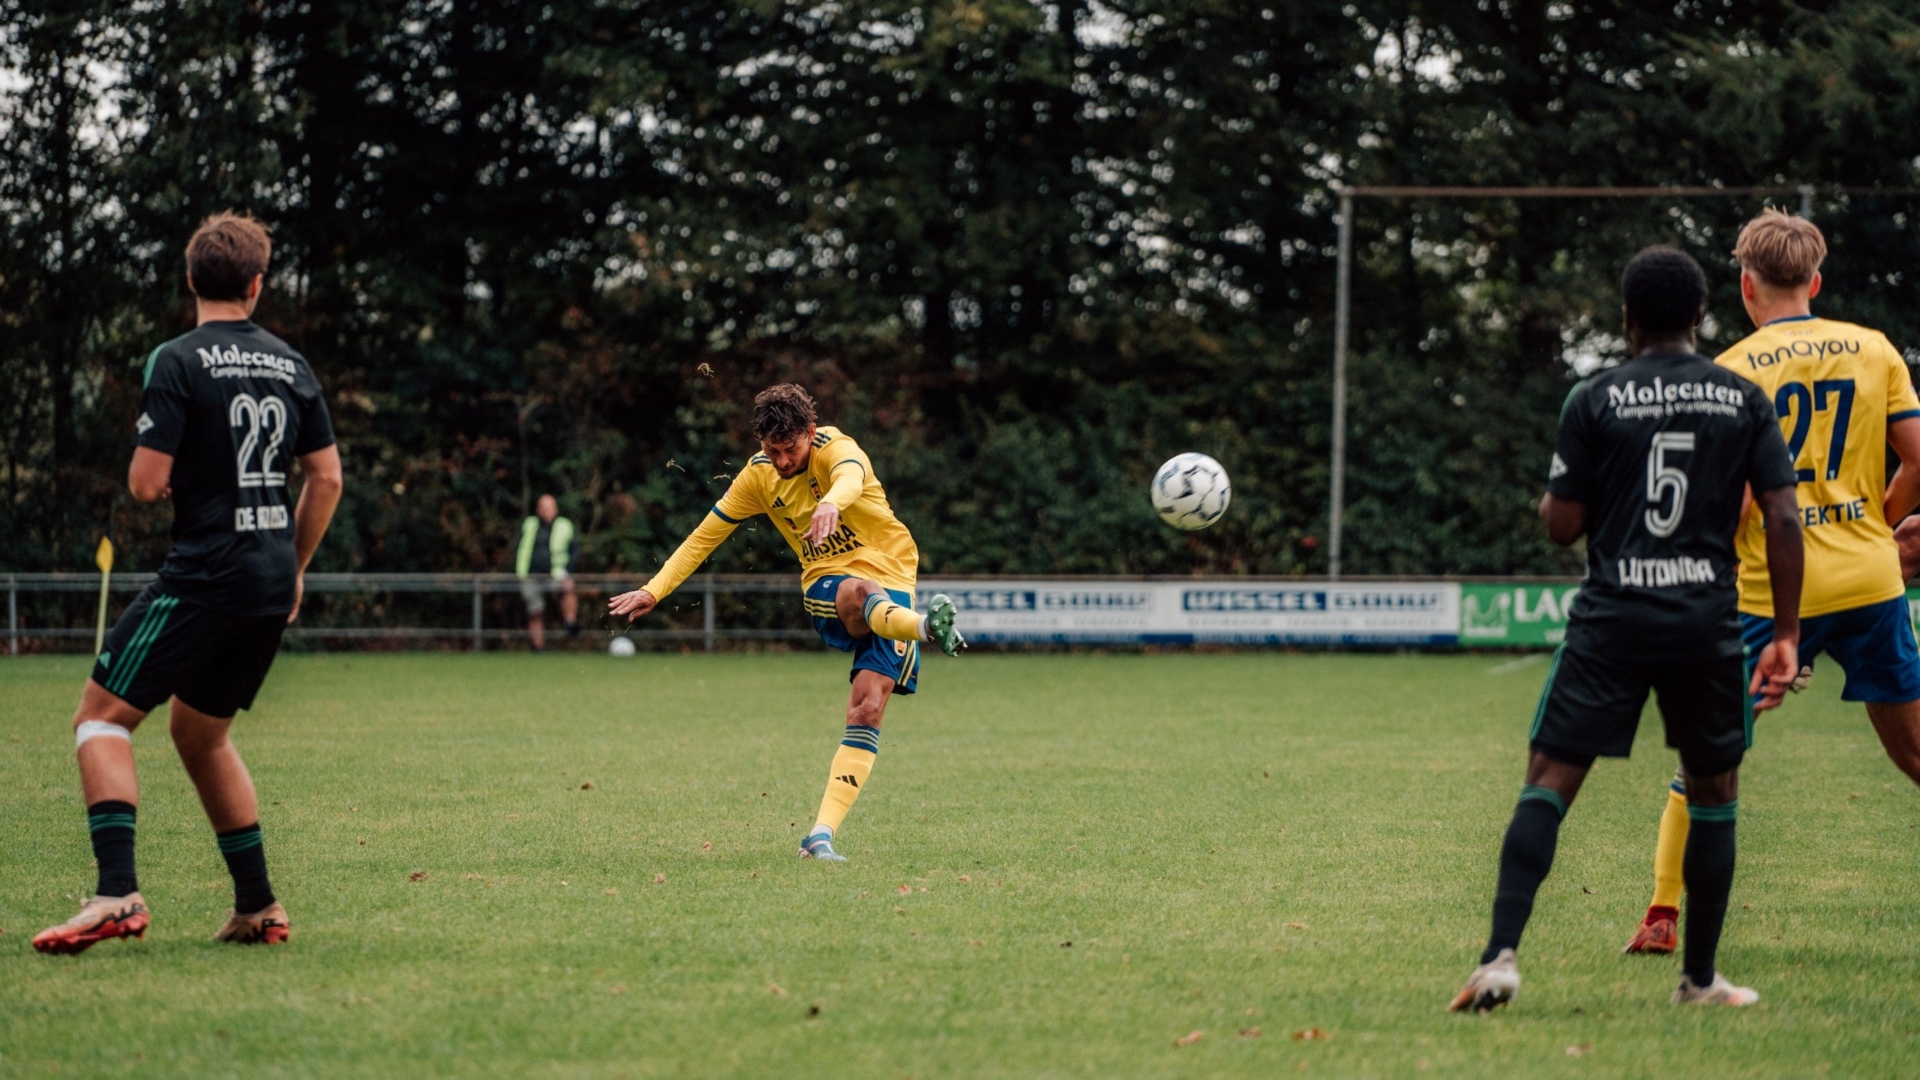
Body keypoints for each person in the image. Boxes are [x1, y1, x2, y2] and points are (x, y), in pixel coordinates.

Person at [1450, 247, 1803, 1012]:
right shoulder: (1741, 398)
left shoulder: (1596, 398)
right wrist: (1785, 633)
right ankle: (1700, 979)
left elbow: (1562, 525)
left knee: (1549, 779)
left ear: (1627, 319)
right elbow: (1781, 513)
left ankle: (1499, 958)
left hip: (1612, 618)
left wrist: (1560, 502)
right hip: (1706, 620)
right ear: (1701, 318)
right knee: (1714, 792)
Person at [33, 212, 342, 954]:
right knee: (200, 734)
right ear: (257, 284)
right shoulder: (291, 364)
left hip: (207, 571)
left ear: (190, 278)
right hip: (268, 578)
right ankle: (259, 907)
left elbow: (145, 484)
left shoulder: (177, 359)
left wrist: (169, 476)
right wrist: (294, 567)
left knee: (100, 718)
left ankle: (115, 895)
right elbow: (326, 477)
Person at [1622, 209, 1920, 954]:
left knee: (1708, 759)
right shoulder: (1874, 348)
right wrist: (1879, 529)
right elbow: (1918, 459)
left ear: (1746, 285)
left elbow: (1736, 502)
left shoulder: (1732, 369)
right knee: (1915, 754)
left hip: (1764, 591)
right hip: (1868, 580)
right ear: (1815, 281)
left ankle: (1662, 915)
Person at [607, 383, 964, 862]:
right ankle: (925, 629)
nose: (779, 461)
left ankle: (819, 836)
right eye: (769, 450)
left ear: (810, 434)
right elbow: (703, 538)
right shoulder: (757, 478)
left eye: (789, 449)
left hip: (895, 575)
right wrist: (655, 588)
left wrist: (833, 502)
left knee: (868, 707)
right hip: (828, 584)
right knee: (861, 592)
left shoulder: (838, 449)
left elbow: (851, 477)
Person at [516, 493, 579, 650]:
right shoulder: (529, 524)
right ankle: (538, 648)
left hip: (555, 573)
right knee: (535, 611)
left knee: (568, 588)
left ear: (556, 509)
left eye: (549, 508)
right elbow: (518, 546)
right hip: (530, 576)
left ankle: (570, 622)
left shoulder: (564, 525)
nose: (546, 511)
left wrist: (567, 571)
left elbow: (575, 551)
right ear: (538, 510)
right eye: (542, 508)